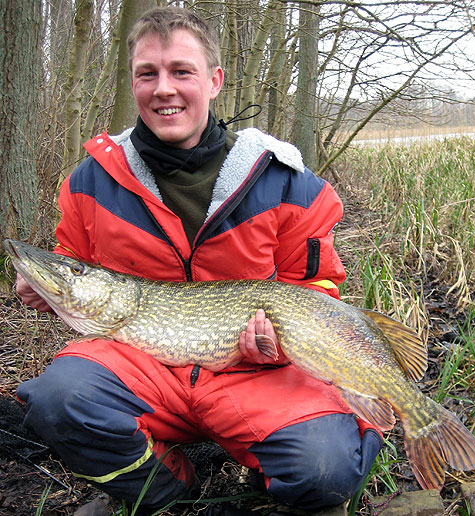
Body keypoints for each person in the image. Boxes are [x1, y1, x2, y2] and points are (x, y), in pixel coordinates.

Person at [15, 6, 382, 515]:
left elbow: (316, 288)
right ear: (133, 84)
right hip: (143, 364)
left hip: (254, 375)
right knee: (58, 398)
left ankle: (268, 467)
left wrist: (275, 345)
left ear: (214, 82)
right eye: (147, 74)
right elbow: (74, 261)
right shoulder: (88, 182)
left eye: (181, 72)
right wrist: (46, 288)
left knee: (326, 467)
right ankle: (168, 488)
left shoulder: (288, 183)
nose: (163, 88)